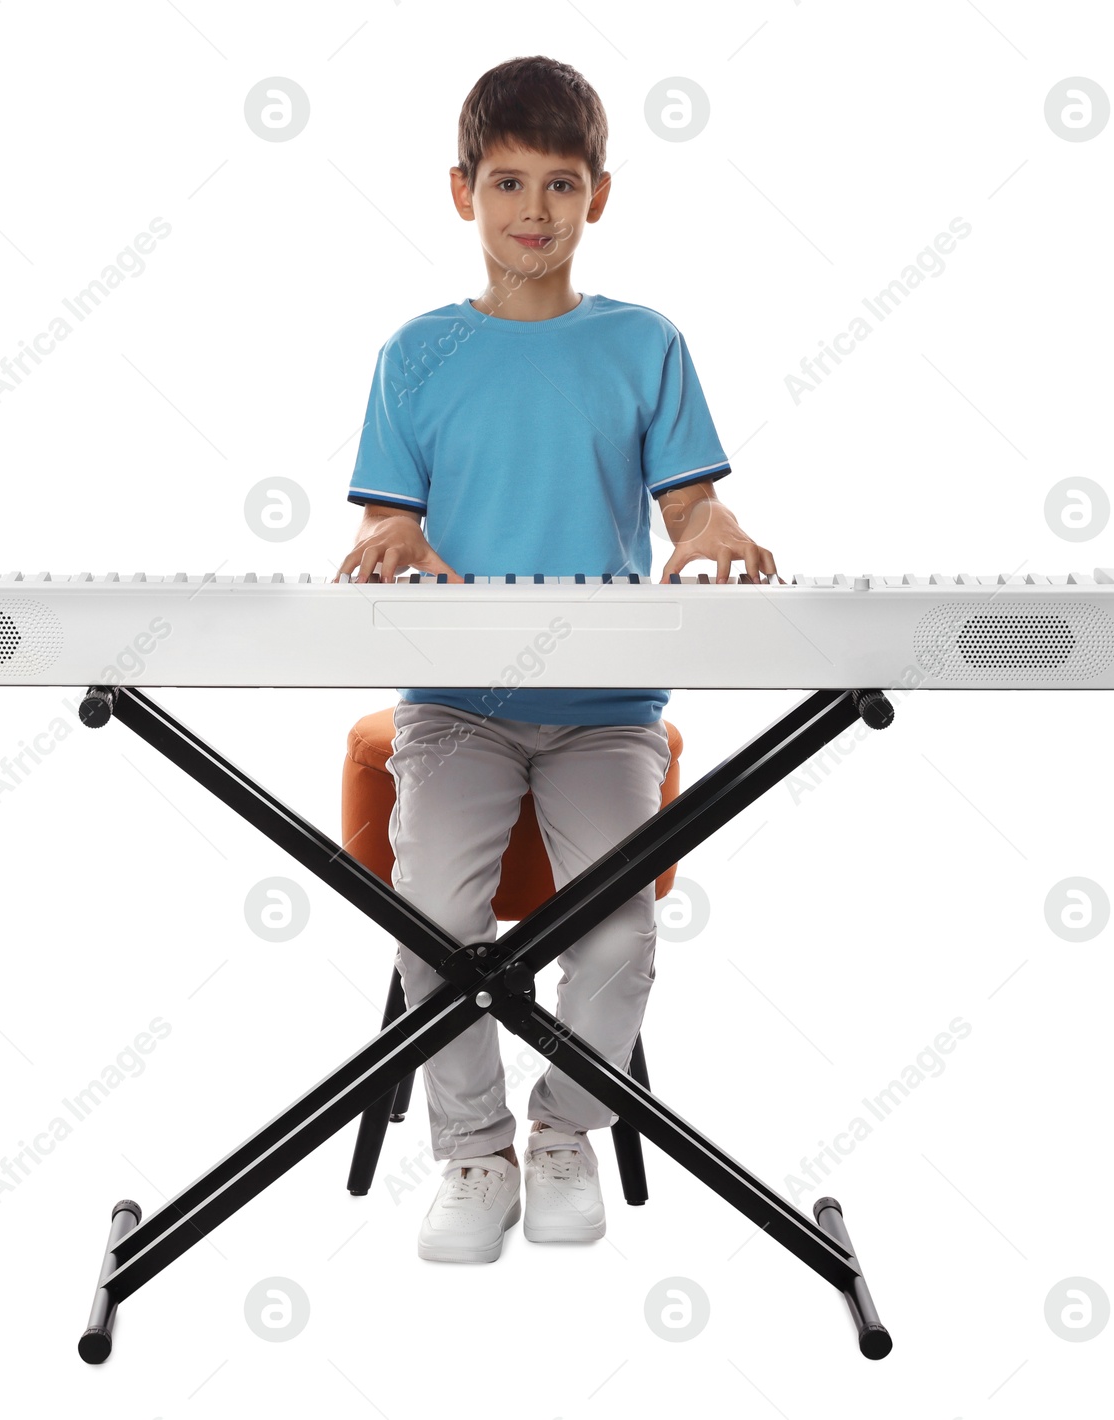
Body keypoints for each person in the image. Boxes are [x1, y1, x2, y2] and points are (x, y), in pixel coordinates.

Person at [334, 55, 775, 1263]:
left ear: (600, 197)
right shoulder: (415, 353)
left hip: (606, 711)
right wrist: (395, 539)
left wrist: (716, 526)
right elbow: (387, 522)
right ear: (462, 191)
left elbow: (691, 514)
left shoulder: (645, 344)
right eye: (509, 183)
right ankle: (471, 1151)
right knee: (431, 914)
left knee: (623, 929)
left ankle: (566, 1129)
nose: (535, 211)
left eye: (562, 185)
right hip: (456, 710)